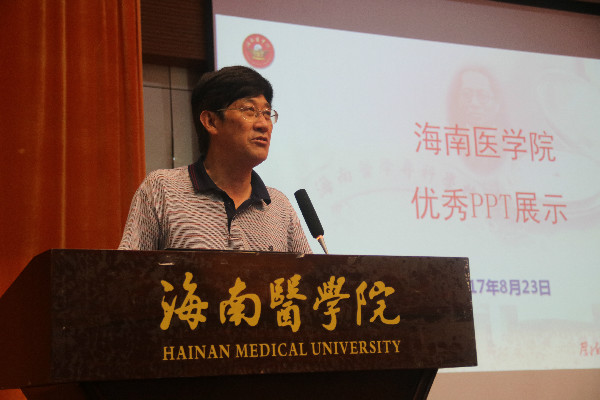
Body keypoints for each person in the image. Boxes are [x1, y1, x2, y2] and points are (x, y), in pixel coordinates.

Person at [119, 66, 312, 253]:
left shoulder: (279, 207)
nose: (264, 124)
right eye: (249, 110)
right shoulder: (161, 190)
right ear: (211, 121)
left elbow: (311, 274)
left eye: (267, 113)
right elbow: (127, 270)